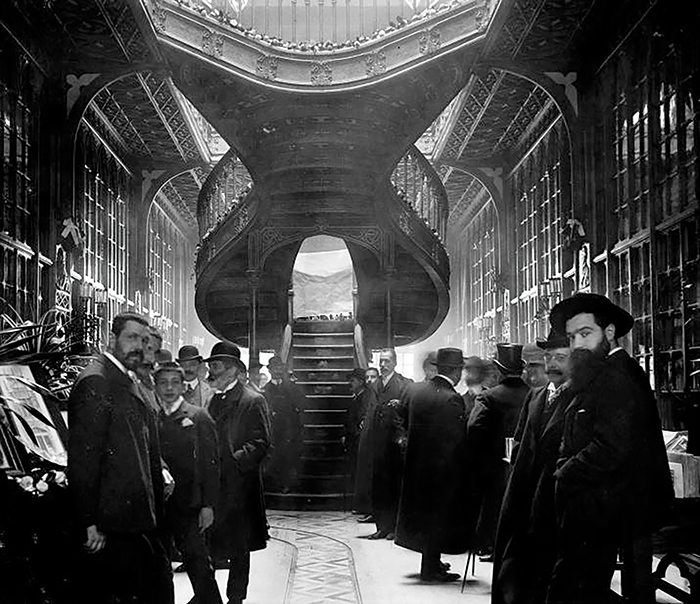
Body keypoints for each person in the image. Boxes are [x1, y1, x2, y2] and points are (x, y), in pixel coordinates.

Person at [545, 293, 674, 604]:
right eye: (572, 337)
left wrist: (564, 473)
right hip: (599, 503)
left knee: (572, 588)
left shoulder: (618, 376)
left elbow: (611, 447)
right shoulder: (601, 371)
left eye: (585, 333)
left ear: (610, 332)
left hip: (608, 506)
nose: (577, 344)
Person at [67, 312, 173, 604]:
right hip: (113, 525)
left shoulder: (126, 379)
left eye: (143, 340)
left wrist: (160, 470)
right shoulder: (97, 381)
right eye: (131, 337)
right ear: (111, 338)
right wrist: (90, 521)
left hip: (133, 519)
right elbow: (84, 458)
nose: (138, 346)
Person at [491, 330, 573, 604]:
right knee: (514, 575)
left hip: (555, 504)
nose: (552, 364)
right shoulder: (535, 397)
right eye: (548, 357)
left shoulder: (579, 398)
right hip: (523, 500)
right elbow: (520, 443)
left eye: (560, 357)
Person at [395, 348, 471, 582]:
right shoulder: (451, 398)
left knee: (424, 517)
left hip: (417, 466)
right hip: (441, 470)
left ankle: (431, 561)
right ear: (456, 372)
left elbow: (403, 420)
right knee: (437, 519)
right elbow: (456, 440)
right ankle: (430, 569)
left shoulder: (418, 391)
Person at [206, 341, 272, 604]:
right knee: (211, 542)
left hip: (240, 486)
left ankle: (236, 598)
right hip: (215, 483)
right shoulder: (214, 399)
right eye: (211, 366)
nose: (211, 372)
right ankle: (207, 595)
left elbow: (261, 442)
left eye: (216, 367)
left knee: (239, 548)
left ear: (233, 370)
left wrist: (235, 461)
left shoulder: (252, 400)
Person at [155, 362, 222, 604]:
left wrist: (208, 505)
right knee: (160, 567)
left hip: (190, 506)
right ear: (155, 387)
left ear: (184, 387)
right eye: (163, 383)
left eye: (175, 383)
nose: (169, 388)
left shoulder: (199, 417)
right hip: (160, 506)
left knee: (198, 562)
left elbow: (211, 465)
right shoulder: (152, 419)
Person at [467, 343, 530, 561]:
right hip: (524, 463)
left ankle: (494, 547)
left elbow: (474, 428)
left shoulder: (488, 397)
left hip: (494, 465)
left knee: (494, 506)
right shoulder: (534, 395)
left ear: (499, 370)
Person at [363, 349, 412, 540]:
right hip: (378, 443)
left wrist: (401, 404)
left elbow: (409, 411)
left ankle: (394, 528)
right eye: (381, 361)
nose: (383, 365)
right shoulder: (375, 386)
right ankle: (381, 527)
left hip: (395, 444)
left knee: (394, 487)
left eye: (387, 361)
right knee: (379, 487)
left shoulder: (404, 384)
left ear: (395, 363)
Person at [263, 355, 304, 494]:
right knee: (274, 455)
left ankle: (286, 484)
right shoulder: (266, 390)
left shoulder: (292, 387)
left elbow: (301, 404)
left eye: (280, 367)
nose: (278, 370)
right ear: (270, 370)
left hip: (290, 428)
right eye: (275, 368)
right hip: (273, 428)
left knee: (289, 455)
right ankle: (274, 484)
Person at [347, 368, 377, 521]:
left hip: (362, 440)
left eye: (352, 380)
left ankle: (364, 506)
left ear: (360, 382)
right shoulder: (357, 397)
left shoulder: (366, 397)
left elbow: (363, 419)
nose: (349, 383)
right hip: (355, 441)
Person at [178, 345, 215, 410]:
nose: (188, 369)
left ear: (199, 365)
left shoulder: (210, 391)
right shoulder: (170, 389)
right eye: (184, 365)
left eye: (192, 365)